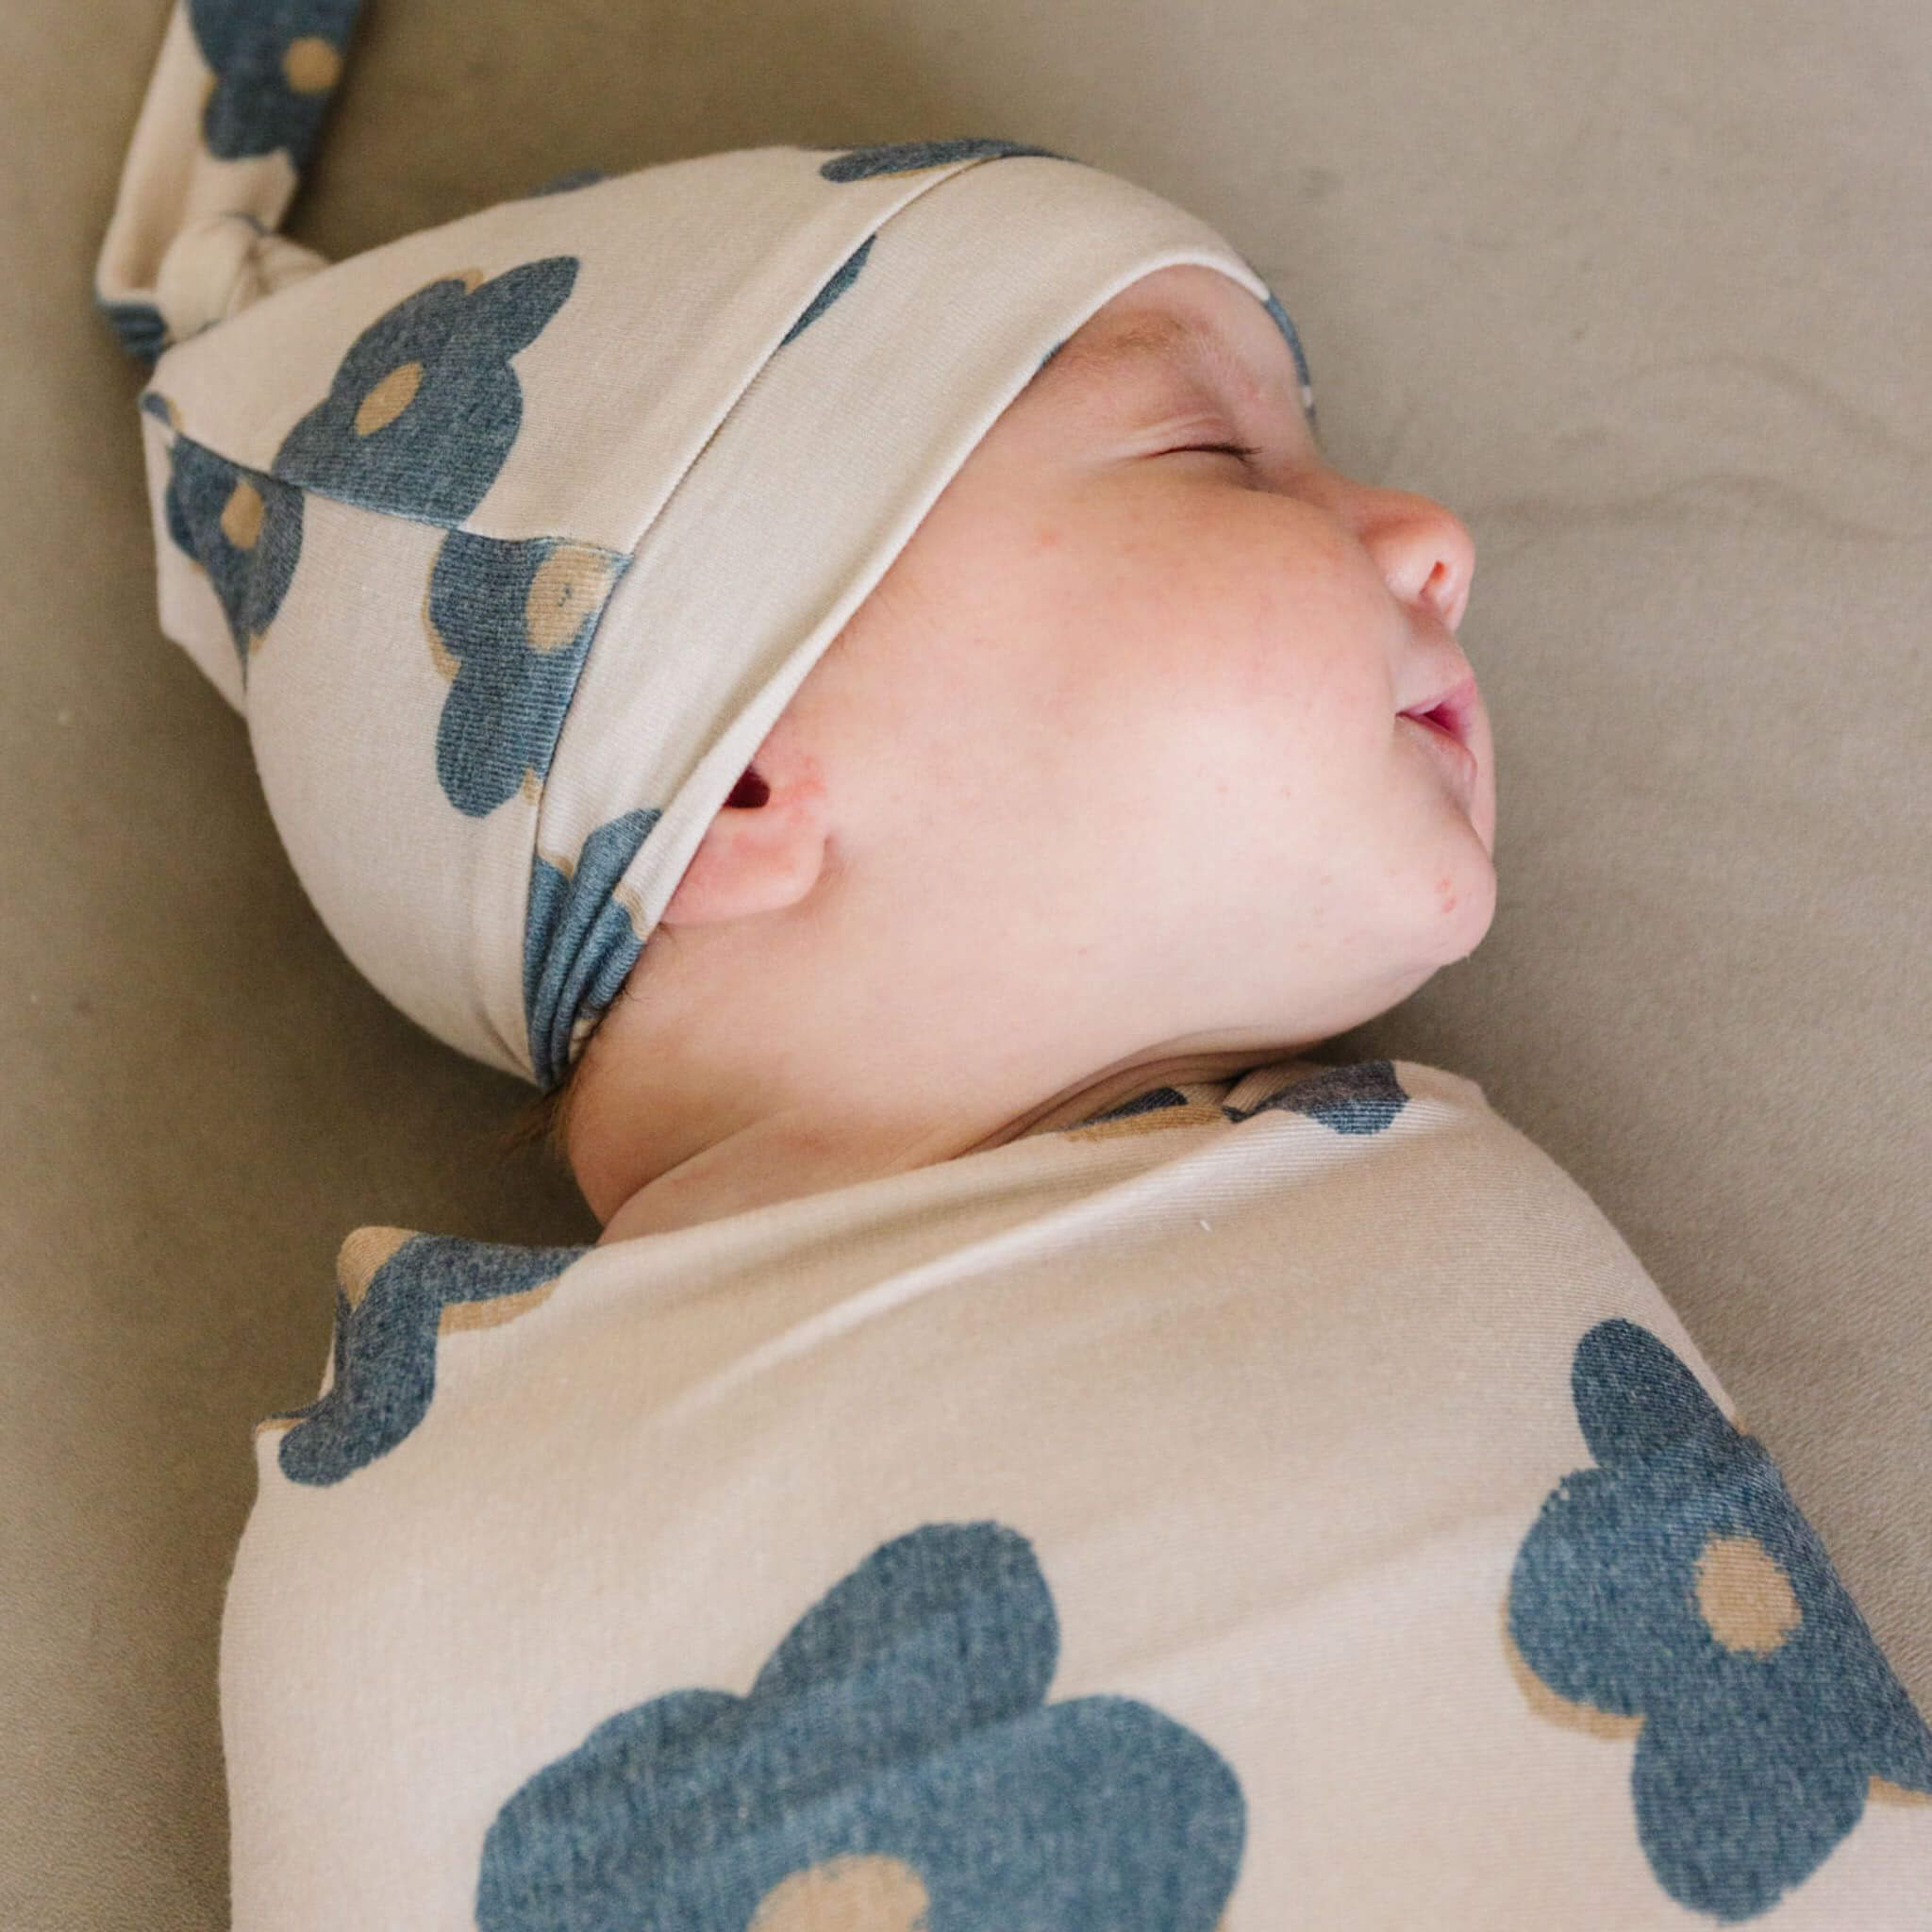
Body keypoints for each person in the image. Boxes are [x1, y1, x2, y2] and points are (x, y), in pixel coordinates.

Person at [95, 4, 1932, 1924]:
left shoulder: (1413, 1200)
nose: (1435, 538)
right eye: (1215, 453)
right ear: (732, 783)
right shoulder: (425, 1553)